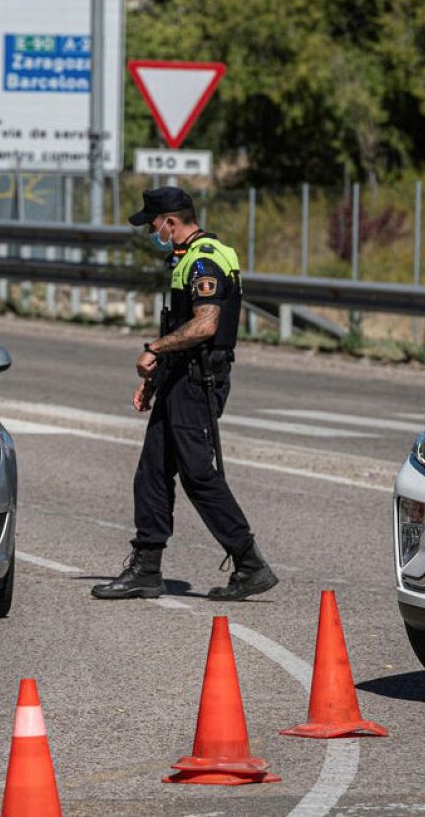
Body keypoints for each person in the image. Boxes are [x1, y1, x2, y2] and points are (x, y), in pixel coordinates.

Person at [92, 187, 278, 602]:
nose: (152, 233)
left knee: (197, 474)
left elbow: (205, 325)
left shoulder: (203, 260)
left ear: (171, 222)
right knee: (153, 471)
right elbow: (181, 326)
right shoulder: (187, 258)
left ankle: (249, 563)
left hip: (197, 382)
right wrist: (154, 380)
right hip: (180, 378)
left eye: (154, 225)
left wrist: (153, 349)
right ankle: (146, 569)